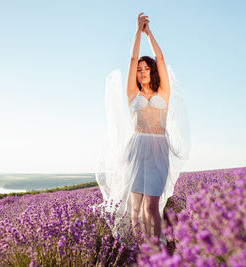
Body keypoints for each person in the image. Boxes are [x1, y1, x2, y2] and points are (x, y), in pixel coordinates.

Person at [95, 12, 190, 246]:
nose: (142, 71)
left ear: (153, 71)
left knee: (152, 206)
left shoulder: (163, 94)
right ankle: (141, 250)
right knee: (135, 207)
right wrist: (136, 31)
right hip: (137, 150)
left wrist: (149, 34)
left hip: (158, 149)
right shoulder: (132, 94)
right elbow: (131, 59)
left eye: (146, 68)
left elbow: (161, 57)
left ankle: (155, 250)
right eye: (139, 69)